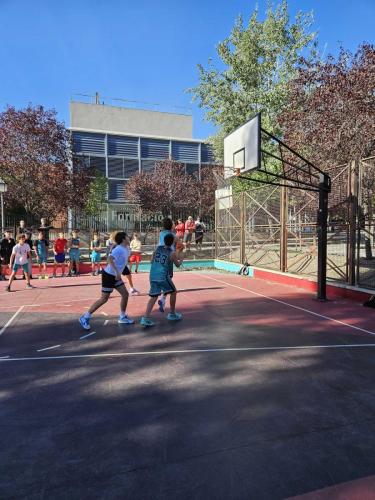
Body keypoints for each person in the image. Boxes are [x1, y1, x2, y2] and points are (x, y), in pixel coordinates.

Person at [79, 231, 134, 330]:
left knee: (125, 294)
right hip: (109, 275)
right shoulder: (119, 249)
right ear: (123, 239)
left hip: (115, 276)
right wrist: (117, 272)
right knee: (104, 298)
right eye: (127, 237)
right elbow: (109, 259)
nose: (129, 238)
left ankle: (122, 316)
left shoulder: (126, 248)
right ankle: (85, 317)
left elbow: (125, 257)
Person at [140, 233, 184, 327]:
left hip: (152, 275)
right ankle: (172, 314)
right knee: (173, 292)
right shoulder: (171, 253)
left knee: (154, 296)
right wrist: (181, 257)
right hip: (162, 276)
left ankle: (145, 318)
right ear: (172, 242)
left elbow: (151, 261)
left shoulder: (158, 248)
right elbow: (178, 265)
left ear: (164, 241)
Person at [157, 218, 177, 312]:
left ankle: (163, 298)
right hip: (169, 257)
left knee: (165, 277)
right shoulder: (172, 235)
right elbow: (177, 245)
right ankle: (171, 311)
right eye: (173, 223)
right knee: (169, 279)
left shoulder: (161, 233)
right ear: (171, 225)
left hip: (161, 257)